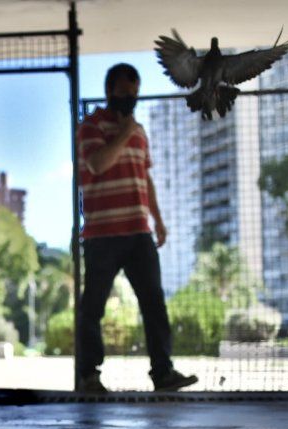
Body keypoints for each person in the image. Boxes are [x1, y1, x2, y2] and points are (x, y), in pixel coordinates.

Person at [76, 63, 197, 393]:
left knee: (154, 302)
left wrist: (157, 219)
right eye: (123, 93)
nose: (129, 99)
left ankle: (163, 373)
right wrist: (125, 132)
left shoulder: (140, 132)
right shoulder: (91, 126)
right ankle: (88, 375)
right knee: (93, 307)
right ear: (109, 91)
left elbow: (145, 177)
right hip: (102, 234)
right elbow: (97, 163)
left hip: (138, 232)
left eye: (134, 94)